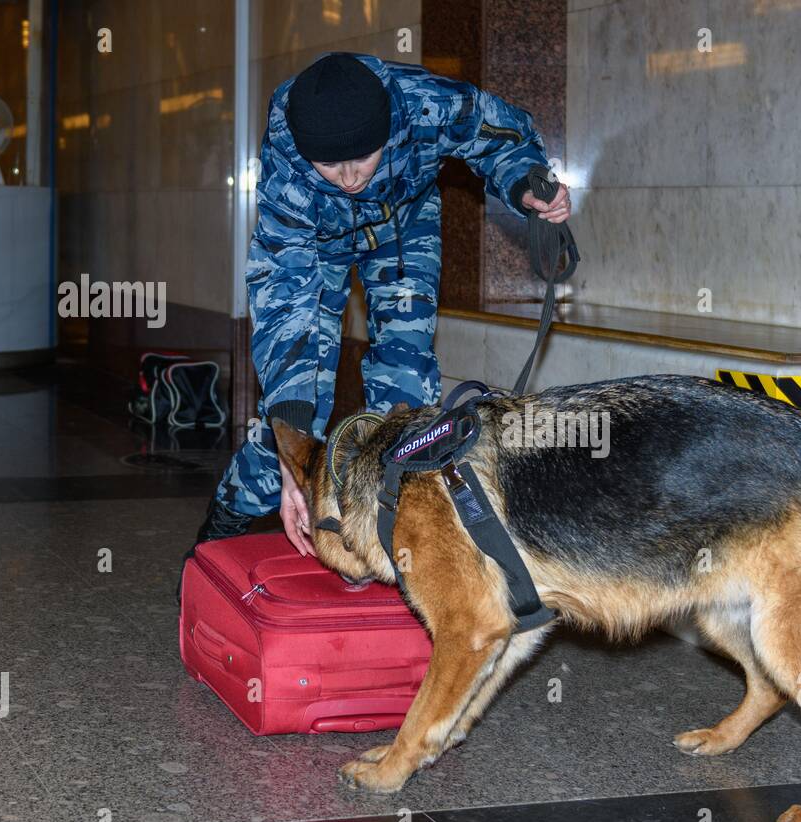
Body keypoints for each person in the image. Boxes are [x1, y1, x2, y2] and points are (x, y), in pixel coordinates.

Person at [177, 52, 569, 601]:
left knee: (406, 405)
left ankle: (390, 551)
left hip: (403, 227)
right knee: (288, 428)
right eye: (332, 167)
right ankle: (219, 531)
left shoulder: (427, 102)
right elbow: (285, 296)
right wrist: (292, 445)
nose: (350, 178)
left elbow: (500, 134)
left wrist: (526, 181)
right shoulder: (289, 156)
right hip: (318, 243)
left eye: (362, 158)